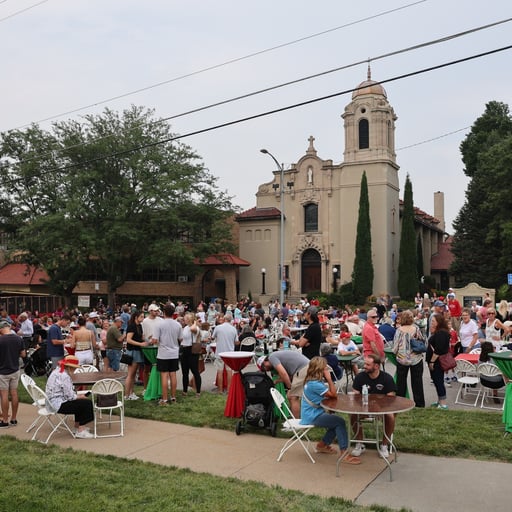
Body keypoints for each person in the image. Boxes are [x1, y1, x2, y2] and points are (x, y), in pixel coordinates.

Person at [301, 357, 360, 464]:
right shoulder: (315, 384)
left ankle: (322, 445)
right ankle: (344, 454)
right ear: (320, 369)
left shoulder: (312, 381)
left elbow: (328, 396)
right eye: (325, 368)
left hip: (310, 413)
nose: (327, 369)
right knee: (339, 422)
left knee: (335, 421)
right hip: (312, 416)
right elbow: (333, 395)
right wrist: (329, 378)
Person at [350, 354, 397, 458]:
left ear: (376, 366)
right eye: (365, 364)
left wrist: (380, 408)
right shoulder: (360, 377)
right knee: (353, 415)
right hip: (364, 408)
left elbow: (391, 398)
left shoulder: (387, 378)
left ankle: (384, 445)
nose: (364, 366)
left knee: (390, 416)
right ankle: (360, 443)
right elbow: (355, 395)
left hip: (382, 409)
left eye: (368, 364)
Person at [45, 355, 94, 438]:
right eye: (74, 368)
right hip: (59, 404)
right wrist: (80, 396)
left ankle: (77, 427)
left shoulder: (56, 371)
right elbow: (70, 397)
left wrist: (76, 394)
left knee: (80, 403)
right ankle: (81, 430)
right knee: (86, 403)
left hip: (52, 402)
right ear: (70, 367)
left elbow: (65, 391)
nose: (75, 370)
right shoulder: (64, 376)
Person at [258, 350, 309, 418]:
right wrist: (276, 381)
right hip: (306, 367)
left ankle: (296, 421)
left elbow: (283, 374)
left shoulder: (272, 357)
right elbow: (289, 376)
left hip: (303, 369)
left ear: (264, 361)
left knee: (292, 397)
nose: (266, 370)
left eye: (264, 368)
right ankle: (299, 417)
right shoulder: (277, 356)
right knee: (303, 395)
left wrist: (289, 387)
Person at [392, 309, 425, 407]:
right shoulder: (416, 328)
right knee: (417, 382)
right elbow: (422, 340)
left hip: (402, 358)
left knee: (401, 382)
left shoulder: (399, 330)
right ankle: (419, 404)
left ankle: (400, 402)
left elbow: (395, 346)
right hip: (416, 358)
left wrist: (395, 352)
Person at [152, 304, 182, 405]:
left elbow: (155, 340)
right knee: (173, 375)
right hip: (174, 353)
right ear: (173, 313)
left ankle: (164, 399)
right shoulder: (178, 325)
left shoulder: (159, 324)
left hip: (163, 353)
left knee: (164, 376)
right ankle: (173, 397)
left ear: (164, 312)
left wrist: (152, 340)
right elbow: (181, 339)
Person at [0, 321, 25, 427]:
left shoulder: (1, 340)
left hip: (2, 371)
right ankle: (14, 419)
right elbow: (23, 354)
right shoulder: (19, 339)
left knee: (4, 395)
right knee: (14, 394)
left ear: (1, 329)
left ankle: (5, 420)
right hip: (15, 369)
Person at [427, 313, 450, 410]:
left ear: (438, 322)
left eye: (433, 321)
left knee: (439, 381)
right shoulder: (438, 332)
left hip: (437, 362)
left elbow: (438, 349)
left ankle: (443, 403)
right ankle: (439, 401)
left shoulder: (441, 333)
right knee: (436, 381)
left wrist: (432, 361)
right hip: (435, 361)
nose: (431, 323)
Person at [211, 313, 238, 393]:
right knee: (229, 371)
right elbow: (236, 341)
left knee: (220, 371)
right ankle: (229, 389)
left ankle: (220, 390)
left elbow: (212, 337)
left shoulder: (218, 327)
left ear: (224, 319)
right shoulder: (233, 329)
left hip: (220, 352)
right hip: (229, 353)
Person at [125, 311, 148, 400]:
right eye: (141, 316)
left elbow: (140, 338)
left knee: (134, 374)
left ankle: (131, 393)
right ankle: (127, 395)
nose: (143, 318)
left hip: (137, 351)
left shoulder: (139, 326)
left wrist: (146, 340)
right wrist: (140, 344)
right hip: (132, 351)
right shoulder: (132, 326)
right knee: (130, 374)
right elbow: (128, 339)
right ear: (136, 317)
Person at [180, 313, 202, 397]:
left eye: (186, 318)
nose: (184, 320)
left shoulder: (195, 327)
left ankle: (198, 391)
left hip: (192, 350)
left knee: (195, 371)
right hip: (184, 349)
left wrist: (195, 322)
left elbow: (193, 329)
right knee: (184, 372)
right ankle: (184, 390)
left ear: (190, 319)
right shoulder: (185, 328)